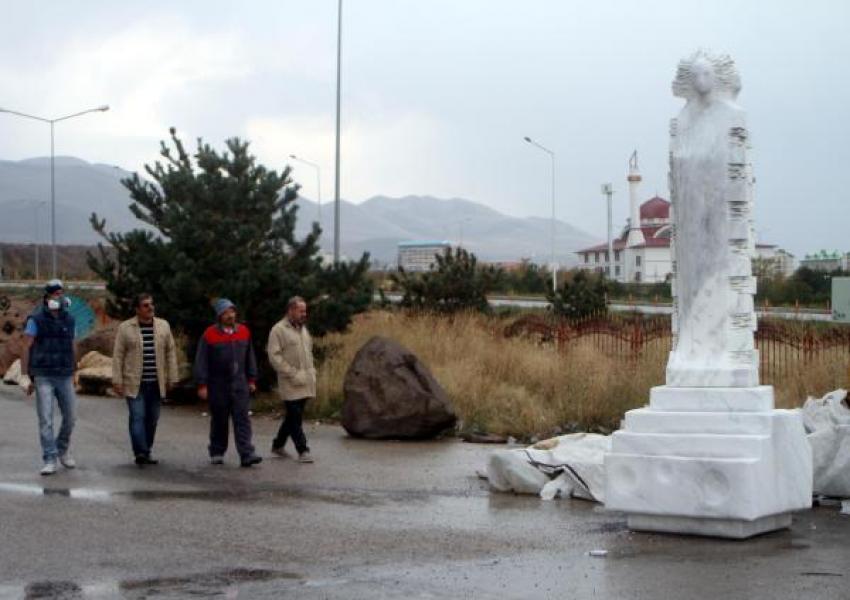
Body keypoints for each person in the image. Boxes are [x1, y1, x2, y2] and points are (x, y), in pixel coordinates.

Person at [112, 293, 179, 466]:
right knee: (137, 416)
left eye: (151, 304)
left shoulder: (163, 326)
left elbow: (170, 352)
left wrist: (173, 377)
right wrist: (117, 380)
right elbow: (118, 355)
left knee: (152, 419)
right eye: (145, 305)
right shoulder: (125, 328)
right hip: (134, 382)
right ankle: (140, 452)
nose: (150, 308)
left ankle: (146, 450)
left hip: (156, 383)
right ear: (137, 309)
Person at [193, 298, 262, 467]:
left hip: (240, 383)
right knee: (219, 420)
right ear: (219, 316)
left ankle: (247, 453)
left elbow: (250, 357)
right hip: (218, 385)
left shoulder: (244, 332)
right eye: (226, 312)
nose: (231, 315)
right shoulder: (209, 335)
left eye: (232, 311)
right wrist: (202, 384)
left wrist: (251, 379)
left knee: (242, 419)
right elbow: (201, 360)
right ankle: (217, 451)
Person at [19, 280, 77, 476]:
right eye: (55, 294)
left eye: (61, 294)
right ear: (47, 297)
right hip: (43, 375)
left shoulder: (69, 319)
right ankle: (50, 458)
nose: (59, 298)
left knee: (71, 417)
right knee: (46, 419)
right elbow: (26, 346)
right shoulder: (35, 320)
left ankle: (62, 449)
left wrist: (75, 370)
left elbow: (72, 345)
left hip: (65, 374)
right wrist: (25, 375)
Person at [267, 296, 316, 463]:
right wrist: (291, 373)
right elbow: (274, 357)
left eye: (305, 310)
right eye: (301, 310)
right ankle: (303, 450)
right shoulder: (278, 330)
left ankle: (278, 445)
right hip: (289, 381)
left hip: (306, 380)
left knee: (293, 416)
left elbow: (308, 353)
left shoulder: (303, 329)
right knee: (295, 416)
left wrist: (310, 374)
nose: (304, 314)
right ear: (291, 310)